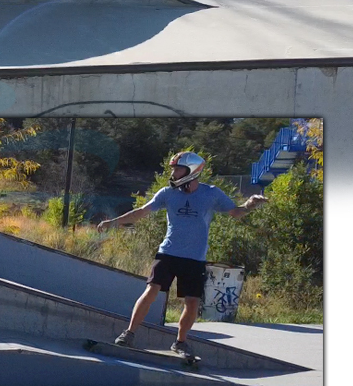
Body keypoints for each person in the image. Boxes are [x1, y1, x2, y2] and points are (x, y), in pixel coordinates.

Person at [97, 151, 267, 356]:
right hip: (168, 252)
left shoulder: (211, 193)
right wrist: (113, 222)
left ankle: (180, 342)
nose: (174, 173)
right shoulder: (167, 193)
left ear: (191, 171)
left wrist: (249, 205)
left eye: (177, 169)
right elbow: (141, 212)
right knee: (152, 290)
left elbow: (235, 212)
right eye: (174, 169)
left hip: (195, 258)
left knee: (192, 301)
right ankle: (129, 334)